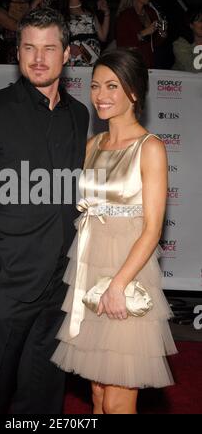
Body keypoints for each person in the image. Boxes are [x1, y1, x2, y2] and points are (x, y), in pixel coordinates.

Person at [0, 7, 89, 414]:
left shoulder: (79, 116)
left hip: (58, 289)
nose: (39, 58)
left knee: (44, 400)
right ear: (18, 52)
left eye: (49, 48)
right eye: (29, 47)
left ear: (66, 55)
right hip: (5, 284)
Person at [51, 48, 177, 415]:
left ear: (134, 92)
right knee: (100, 396)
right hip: (88, 273)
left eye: (111, 86)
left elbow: (153, 229)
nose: (100, 95)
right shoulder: (91, 146)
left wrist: (119, 285)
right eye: (94, 86)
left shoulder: (150, 148)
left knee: (121, 399)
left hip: (127, 276)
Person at [59, 0, 110, 66]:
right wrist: (68, 47)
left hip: (93, 58)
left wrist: (107, 13)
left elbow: (103, 37)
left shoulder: (89, 11)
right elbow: (56, 40)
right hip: (75, 59)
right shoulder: (62, 14)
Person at [116, 0, 166, 69]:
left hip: (150, 63)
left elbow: (153, 43)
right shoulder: (125, 16)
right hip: (132, 64)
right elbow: (122, 44)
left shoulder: (150, 12)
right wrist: (144, 33)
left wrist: (162, 34)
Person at [173, 6, 202, 72]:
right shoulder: (180, 44)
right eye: (200, 21)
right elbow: (193, 69)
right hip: (183, 80)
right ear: (191, 25)